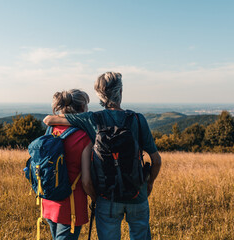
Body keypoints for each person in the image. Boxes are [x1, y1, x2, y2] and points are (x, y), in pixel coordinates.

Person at [43, 72, 161, 240]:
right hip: (137, 192)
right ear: (120, 92)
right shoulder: (138, 119)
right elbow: (156, 160)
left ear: (99, 95)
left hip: (107, 196)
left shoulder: (92, 118)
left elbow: (50, 120)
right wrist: (149, 184)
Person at [42, 89, 96, 240]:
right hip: (71, 203)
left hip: (49, 198)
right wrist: (95, 198)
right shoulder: (84, 137)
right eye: (86, 105)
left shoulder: (51, 128)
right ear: (81, 108)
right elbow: (85, 180)